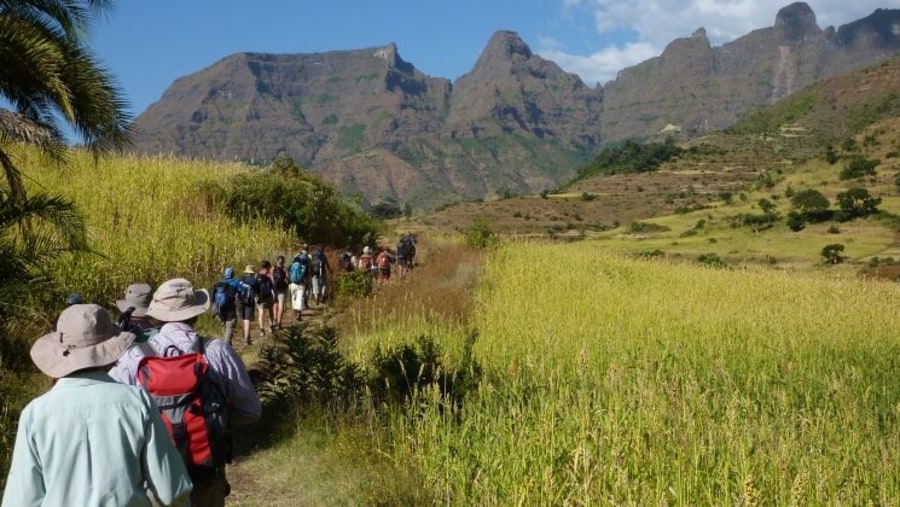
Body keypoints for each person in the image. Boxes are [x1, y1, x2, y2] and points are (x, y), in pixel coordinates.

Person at [2, 304, 193, 506]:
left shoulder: (35, 413)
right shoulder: (137, 402)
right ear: (109, 351)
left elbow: (22, 499)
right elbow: (171, 491)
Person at [114, 278, 262, 507]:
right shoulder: (217, 351)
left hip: (154, 481)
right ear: (196, 314)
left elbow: (118, 417)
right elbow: (250, 411)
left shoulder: (133, 357)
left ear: (157, 315)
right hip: (206, 474)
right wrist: (214, 415)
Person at [211, 268, 239, 345]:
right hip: (229, 309)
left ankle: (228, 343)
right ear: (232, 274)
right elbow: (233, 296)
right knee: (229, 327)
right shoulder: (233, 284)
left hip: (219, 309)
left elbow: (212, 299)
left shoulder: (217, 284)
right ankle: (226, 346)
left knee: (224, 326)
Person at [236, 265, 259, 346]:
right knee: (247, 319)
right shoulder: (254, 280)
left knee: (243, 318)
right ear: (252, 273)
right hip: (249, 301)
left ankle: (245, 336)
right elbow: (258, 290)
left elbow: (237, 289)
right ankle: (246, 338)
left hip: (240, 301)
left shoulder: (240, 280)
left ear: (245, 272)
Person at [256, 260, 276, 337]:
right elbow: (273, 286)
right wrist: (276, 295)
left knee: (261, 313)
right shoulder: (269, 274)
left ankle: (261, 330)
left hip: (260, 297)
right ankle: (271, 327)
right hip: (268, 296)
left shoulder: (257, 275)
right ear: (268, 266)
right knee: (271, 311)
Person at [288, 250, 310, 321]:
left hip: (292, 284)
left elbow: (288, 274)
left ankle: (295, 311)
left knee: (293, 298)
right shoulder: (303, 266)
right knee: (300, 298)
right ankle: (299, 314)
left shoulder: (291, 266)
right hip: (301, 284)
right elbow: (305, 275)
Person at [271, 255, 289, 328]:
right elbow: (288, 278)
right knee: (281, 306)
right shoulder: (284, 269)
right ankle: (279, 323)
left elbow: (271, 278)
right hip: (282, 289)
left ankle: (274, 318)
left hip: (274, 288)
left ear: (277, 260)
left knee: (275, 304)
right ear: (283, 261)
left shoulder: (273, 268)